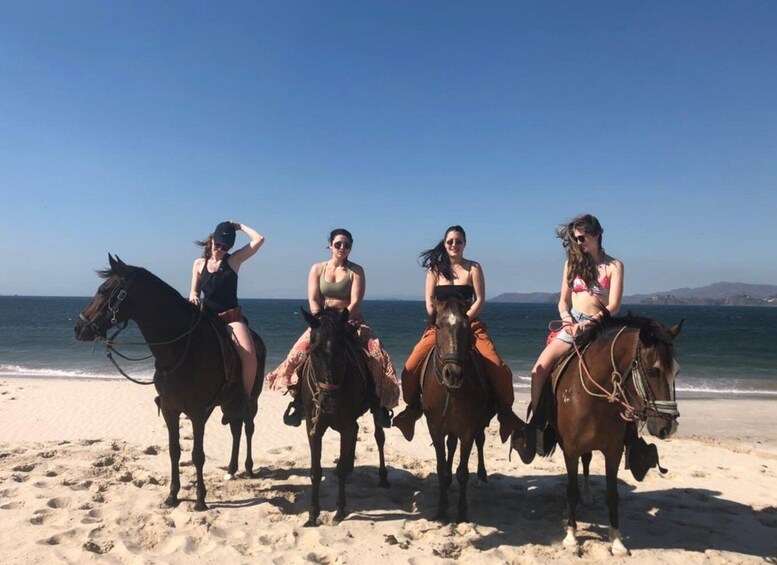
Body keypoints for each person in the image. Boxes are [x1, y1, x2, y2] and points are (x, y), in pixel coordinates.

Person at [392, 225, 523, 443]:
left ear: (465, 244)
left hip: (470, 325)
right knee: (410, 367)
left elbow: (480, 299)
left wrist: (464, 321)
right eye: (450, 241)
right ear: (445, 244)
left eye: (459, 241)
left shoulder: (473, 268)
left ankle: (505, 412)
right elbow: (429, 303)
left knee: (498, 367)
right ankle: (413, 408)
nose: (454, 245)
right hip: (441, 327)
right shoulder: (434, 270)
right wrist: (442, 321)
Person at [513, 213, 624, 463]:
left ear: (596, 235)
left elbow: (614, 305)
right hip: (572, 324)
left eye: (583, 238)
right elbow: (563, 302)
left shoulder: (615, 266)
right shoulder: (571, 265)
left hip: (601, 325)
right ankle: (539, 425)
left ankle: (631, 432)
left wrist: (591, 323)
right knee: (538, 369)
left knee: (627, 369)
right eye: (575, 239)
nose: (579, 243)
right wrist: (568, 321)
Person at [266, 228, 400, 428]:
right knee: (297, 355)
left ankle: (378, 405)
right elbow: (313, 298)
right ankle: (299, 403)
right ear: (330, 245)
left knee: (378, 356)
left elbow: (355, 302)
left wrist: (342, 320)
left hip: (350, 320)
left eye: (347, 245)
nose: (342, 248)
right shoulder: (318, 269)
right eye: (338, 244)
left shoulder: (356, 271)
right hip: (323, 321)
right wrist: (320, 320)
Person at [189, 221, 265, 417]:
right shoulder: (199, 264)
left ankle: (245, 400)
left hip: (230, 318)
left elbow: (259, 240)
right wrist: (194, 296)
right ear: (212, 241)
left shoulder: (234, 261)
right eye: (218, 245)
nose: (220, 250)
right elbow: (194, 290)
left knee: (249, 355)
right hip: (207, 317)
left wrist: (239, 226)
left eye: (225, 247)